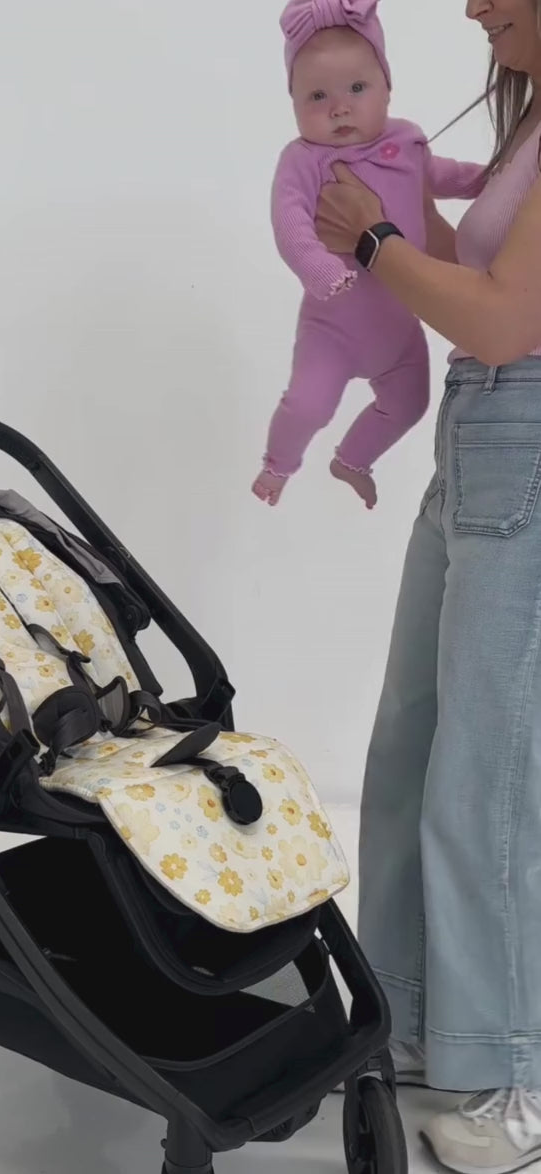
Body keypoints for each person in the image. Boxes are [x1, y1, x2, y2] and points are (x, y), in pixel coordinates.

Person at [314, 0, 541, 1170]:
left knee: (485, 781)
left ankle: (506, 1078)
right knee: (408, 743)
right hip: (480, 434)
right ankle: (409, 1023)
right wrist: (395, 207)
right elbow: (476, 273)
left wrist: (371, 245)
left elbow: (506, 323)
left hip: (523, 428)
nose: (468, 7)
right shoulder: (525, 123)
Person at [252, 0, 483, 511]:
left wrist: (488, 179)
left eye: (357, 88)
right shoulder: (302, 160)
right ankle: (277, 466)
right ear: (291, 102)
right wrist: (320, 267)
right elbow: (289, 226)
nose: (339, 107)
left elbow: (441, 174)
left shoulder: (405, 139)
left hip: (400, 328)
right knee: (308, 404)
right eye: (317, 95)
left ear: (387, 87)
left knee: (409, 404)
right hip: (331, 328)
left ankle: (352, 460)